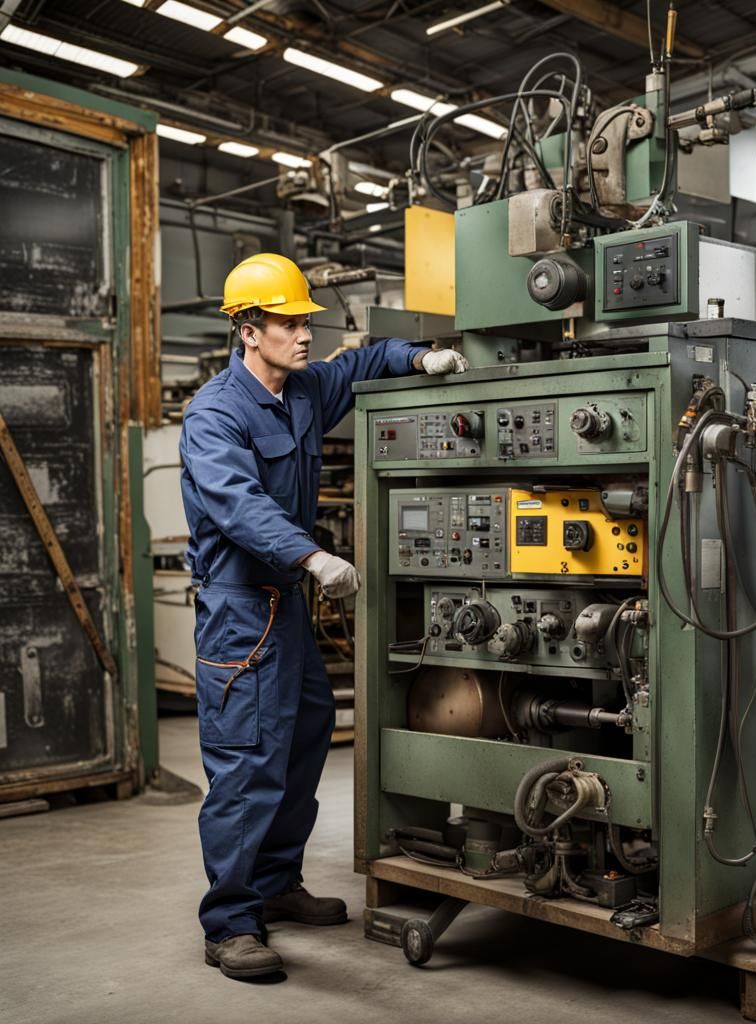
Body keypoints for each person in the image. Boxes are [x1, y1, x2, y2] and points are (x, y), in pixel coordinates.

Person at [179, 252, 468, 980]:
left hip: (288, 610)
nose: (304, 333)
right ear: (248, 329)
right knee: (247, 763)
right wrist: (311, 556)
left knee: (305, 738)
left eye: (307, 320)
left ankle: (276, 884)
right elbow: (238, 504)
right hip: (240, 612)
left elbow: (364, 359)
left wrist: (421, 356)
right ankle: (230, 923)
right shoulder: (214, 413)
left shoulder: (305, 391)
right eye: (287, 322)